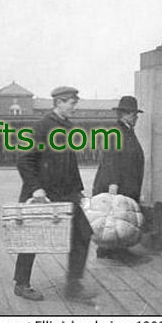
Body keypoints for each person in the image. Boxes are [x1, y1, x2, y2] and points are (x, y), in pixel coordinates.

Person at [14, 86, 95, 302]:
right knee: (31, 238)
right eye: (72, 103)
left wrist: (77, 190)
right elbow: (24, 159)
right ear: (59, 102)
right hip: (42, 193)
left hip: (66, 193)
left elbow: (69, 163)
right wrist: (36, 188)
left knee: (83, 233)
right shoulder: (42, 126)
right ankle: (21, 284)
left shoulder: (67, 127)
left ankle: (73, 285)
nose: (75, 107)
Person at [92, 96, 145, 260]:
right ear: (125, 114)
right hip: (117, 183)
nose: (136, 117)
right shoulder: (116, 131)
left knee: (117, 218)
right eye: (134, 114)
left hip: (126, 182)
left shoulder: (127, 130)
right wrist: (113, 183)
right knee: (114, 217)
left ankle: (111, 249)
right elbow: (111, 158)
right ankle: (109, 250)